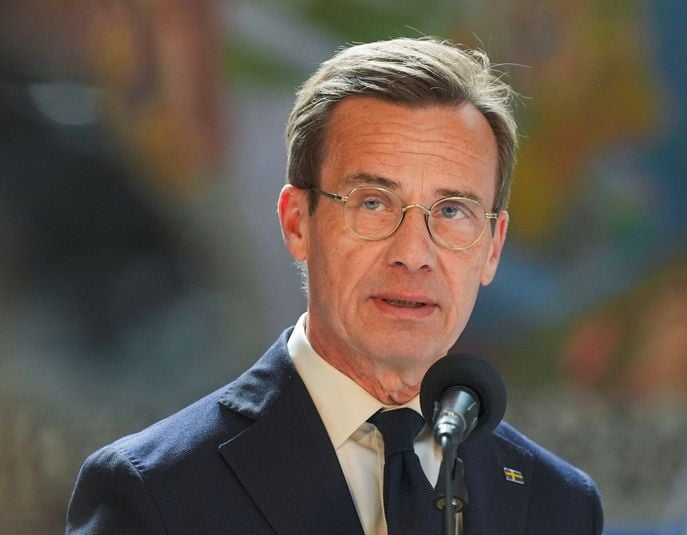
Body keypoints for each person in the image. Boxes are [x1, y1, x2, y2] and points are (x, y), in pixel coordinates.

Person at [66, 37, 603, 534]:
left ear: (493, 247)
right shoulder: (155, 490)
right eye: (373, 203)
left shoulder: (558, 503)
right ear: (297, 222)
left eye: (451, 211)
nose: (413, 254)